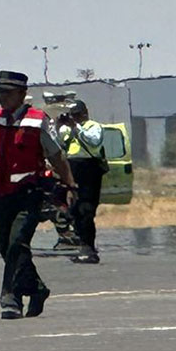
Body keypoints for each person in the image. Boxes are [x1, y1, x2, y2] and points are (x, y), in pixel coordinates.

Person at [0, 71, 78, 320]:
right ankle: (37, 289)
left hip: (27, 194)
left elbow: (56, 156)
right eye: (0, 92)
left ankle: (10, 299)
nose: (3, 97)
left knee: (17, 242)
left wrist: (70, 185)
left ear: (22, 94)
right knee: (4, 245)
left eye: (8, 93)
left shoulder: (37, 121)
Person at [58, 99, 106, 264]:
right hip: (73, 169)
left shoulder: (93, 126)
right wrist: (58, 126)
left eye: (77, 115)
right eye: (72, 116)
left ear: (84, 113)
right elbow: (58, 144)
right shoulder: (69, 129)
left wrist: (75, 127)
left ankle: (89, 248)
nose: (75, 118)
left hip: (89, 169)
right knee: (74, 210)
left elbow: (94, 141)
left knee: (86, 209)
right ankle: (81, 243)